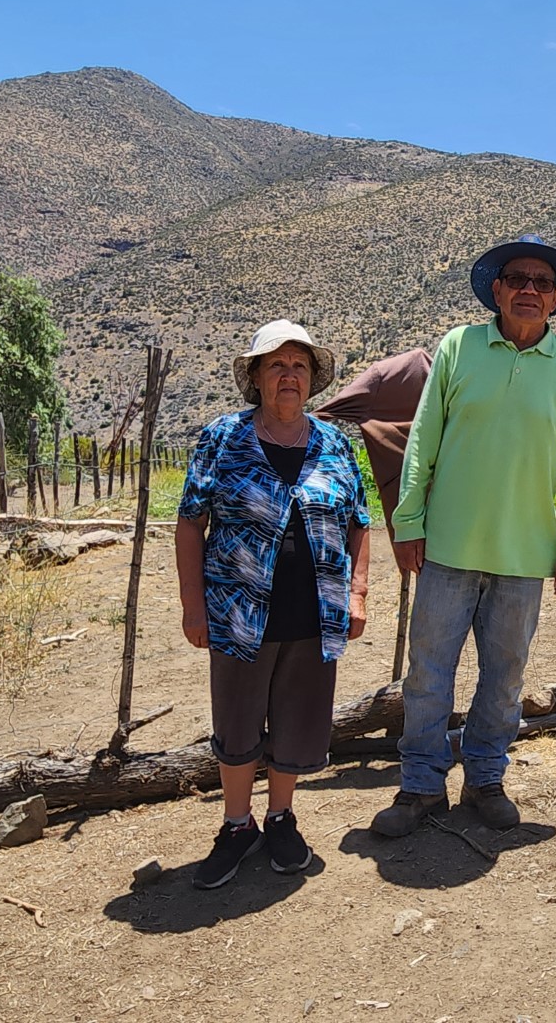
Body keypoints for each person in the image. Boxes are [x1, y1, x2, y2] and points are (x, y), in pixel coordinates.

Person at [370, 235, 556, 837]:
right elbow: (423, 440)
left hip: (526, 554)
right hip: (447, 545)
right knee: (427, 674)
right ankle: (420, 785)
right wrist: (409, 521)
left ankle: (484, 780)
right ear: (496, 291)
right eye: (516, 279)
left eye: (541, 283)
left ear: (555, 299)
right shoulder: (459, 347)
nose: (528, 289)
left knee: (504, 677)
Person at [176, 319, 371, 888]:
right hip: (238, 610)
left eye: (300, 366)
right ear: (256, 378)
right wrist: (194, 608)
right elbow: (191, 525)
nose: (289, 376)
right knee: (237, 723)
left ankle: (280, 816)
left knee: (298, 721)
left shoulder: (334, 442)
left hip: (315, 612)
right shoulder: (223, 438)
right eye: (277, 365)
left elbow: (360, 524)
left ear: (312, 380)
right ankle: (237, 825)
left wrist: (357, 593)